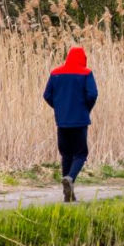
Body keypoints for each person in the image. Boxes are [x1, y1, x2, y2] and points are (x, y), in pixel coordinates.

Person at [43, 47, 98, 203]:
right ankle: (70, 178)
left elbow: (47, 95)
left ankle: (67, 193)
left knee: (66, 155)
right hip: (79, 120)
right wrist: (85, 108)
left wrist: (59, 107)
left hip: (62, 121)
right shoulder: (86, 73)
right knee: (80, 154)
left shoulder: (55, 73)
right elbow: (92, 94)